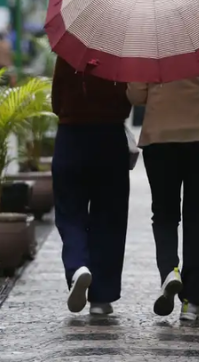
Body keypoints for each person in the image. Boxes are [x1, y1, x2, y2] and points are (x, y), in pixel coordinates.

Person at [127, 67, 199, 322]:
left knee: (164, 213)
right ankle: (192, 303)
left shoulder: (149, 46)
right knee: (198, 215)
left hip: (160, 140)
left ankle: (169, 272)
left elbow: (135, 96)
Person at [51, 57, 131, 316]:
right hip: (110, 138)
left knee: (69, 210)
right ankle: (102, 297)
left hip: (71, 136)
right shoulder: (119, 52)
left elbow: (55, 101)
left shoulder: (69, 52)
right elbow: (127, 101)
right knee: (110, 216)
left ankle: (77, 267)